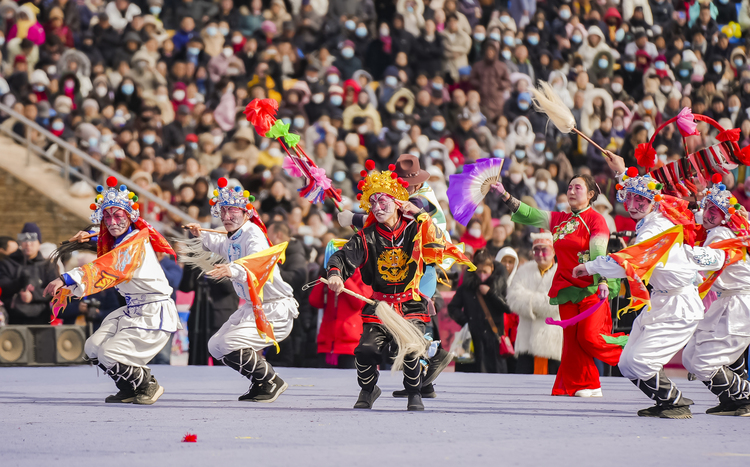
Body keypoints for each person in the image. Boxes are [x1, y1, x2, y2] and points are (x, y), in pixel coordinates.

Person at [573, 155, 726, 419]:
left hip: (679, 306)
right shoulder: (658, 215)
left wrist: (590, 267)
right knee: (626, 363)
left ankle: (676, 402)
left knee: (639, 362)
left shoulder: (652, 230)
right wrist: (622, 172)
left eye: (639, 200)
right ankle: (668, 402)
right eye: (628, 198)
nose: (632, 205)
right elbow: (650, 194)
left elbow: (629, 263)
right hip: (662, 301)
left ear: (652, 202)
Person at [326, 160, 473, 411]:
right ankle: (368, 389)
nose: (377, 207)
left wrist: (420, 215)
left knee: (412, 347)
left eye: (383, 201)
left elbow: (436, 238)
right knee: (365, 350)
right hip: (380, 304)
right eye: (373, 202)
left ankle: (415, 392)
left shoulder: (417, 226)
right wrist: (336, 274)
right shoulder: (368, 235)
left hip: (410, 301)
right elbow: (342, 256)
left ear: (397, 201)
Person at [43, 178, 180, 405]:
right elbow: (109, 241)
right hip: (133, 309)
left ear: (129, 217)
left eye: (118, 216)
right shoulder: (123, 239)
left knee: (110, 354)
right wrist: (89, 236)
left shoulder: (135, 242)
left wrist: (66, 277)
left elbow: (110, 264)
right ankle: (128, 388)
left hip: (152, 312)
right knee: (93, 347)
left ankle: (147, 384)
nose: (112, 221)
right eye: (107, 216)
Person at [491, 172, 624, 397]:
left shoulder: (595, 219)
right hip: (566, 287)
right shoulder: (559, 219)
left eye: (577, 188)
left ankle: (632, 354)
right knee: (571, 340)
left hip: (592, 287)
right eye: (569, 187)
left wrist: (602, 279)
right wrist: (505, 195)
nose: (571, 191)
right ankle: (588, 384)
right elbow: (530, 214)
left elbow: (599, 252)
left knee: (590, 337)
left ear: (591, 194)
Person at [184, 177, 298, 403]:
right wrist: (201, 234)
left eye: (232, 211)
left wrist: (231, 269)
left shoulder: (253, 233)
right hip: (253, 308)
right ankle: (261, 383)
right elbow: (218, 244)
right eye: (223, 211)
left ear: (246, 212)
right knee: (215, 346)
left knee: (228, 343)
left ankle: (271, 381)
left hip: (274, 308)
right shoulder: (232, 236)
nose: (226, 216)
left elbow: (257, 262)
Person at [682, 183, 750, 416]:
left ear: (725, 215)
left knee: (702, 363)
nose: (708, 213)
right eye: (707, 207)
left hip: (739, 304)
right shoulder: (732, 227)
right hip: (726, 302)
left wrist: (673, 254)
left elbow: (707, 260)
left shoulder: (720, 233)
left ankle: (746, 397)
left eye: (715, 209)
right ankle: (731, 400)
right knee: (691, 357)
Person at [506, 231, 562, 375]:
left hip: (552, 340)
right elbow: (513, 298)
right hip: (526, 339)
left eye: (544, 250)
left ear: (554, 251)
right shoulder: (524, 271)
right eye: (536, 250)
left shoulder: (561, 272)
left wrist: (529, 300)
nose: (540, 254)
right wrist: (541, 301)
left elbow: (557, 303)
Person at [448, 248, 510, 373]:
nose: (482, 275)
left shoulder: (499, 284)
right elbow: (452, 307)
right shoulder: (467, 287)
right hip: (471, 341)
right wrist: (466, 322)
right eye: (479, 271)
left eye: (485, 272)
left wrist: (491, 293)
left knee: (495, 379)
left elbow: (508, 307)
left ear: (492, 268)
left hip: (493, 341)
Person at [0, 223, 59, 325]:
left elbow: (54, 290)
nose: (28, 244)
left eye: (32, 241)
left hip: (41, 320)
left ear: (39, 243)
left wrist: (33, 295)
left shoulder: (47, 266)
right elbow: (3, 286)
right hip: (13, 320)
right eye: (25, 240)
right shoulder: (7, 264)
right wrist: (18, 284)